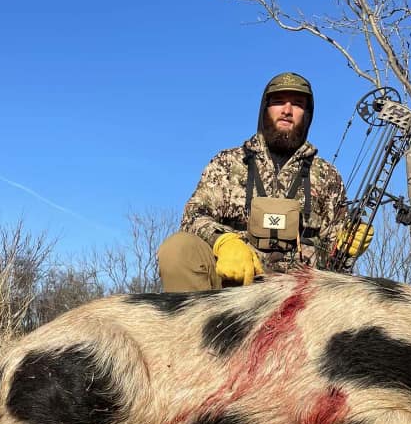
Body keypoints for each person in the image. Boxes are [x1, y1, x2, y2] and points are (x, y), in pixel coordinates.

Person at [158, 72, 371, 292]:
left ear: (307, 114)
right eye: (278, 102)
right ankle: (199, 326)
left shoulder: (328, 175)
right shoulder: (228, 162)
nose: (287, 110)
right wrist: (224, 242)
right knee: (178, 249)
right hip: (230, 293)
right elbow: (192, 217)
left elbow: (337, 270)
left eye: (297, 104)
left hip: (301, 299)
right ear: (265, 109)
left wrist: (346, 250)